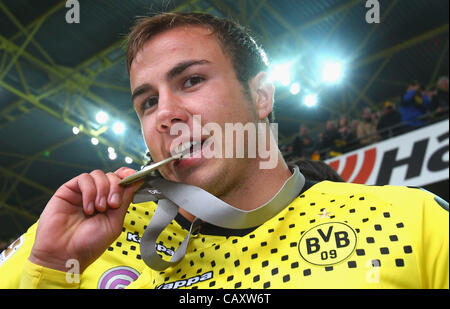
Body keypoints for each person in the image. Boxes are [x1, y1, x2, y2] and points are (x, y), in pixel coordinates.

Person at [14, 12, 448, 289]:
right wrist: (51, 268)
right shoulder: (66, 241)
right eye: (147, 102)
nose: (165, 112)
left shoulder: (411, 222)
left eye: (191, 81)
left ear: (261, 96)